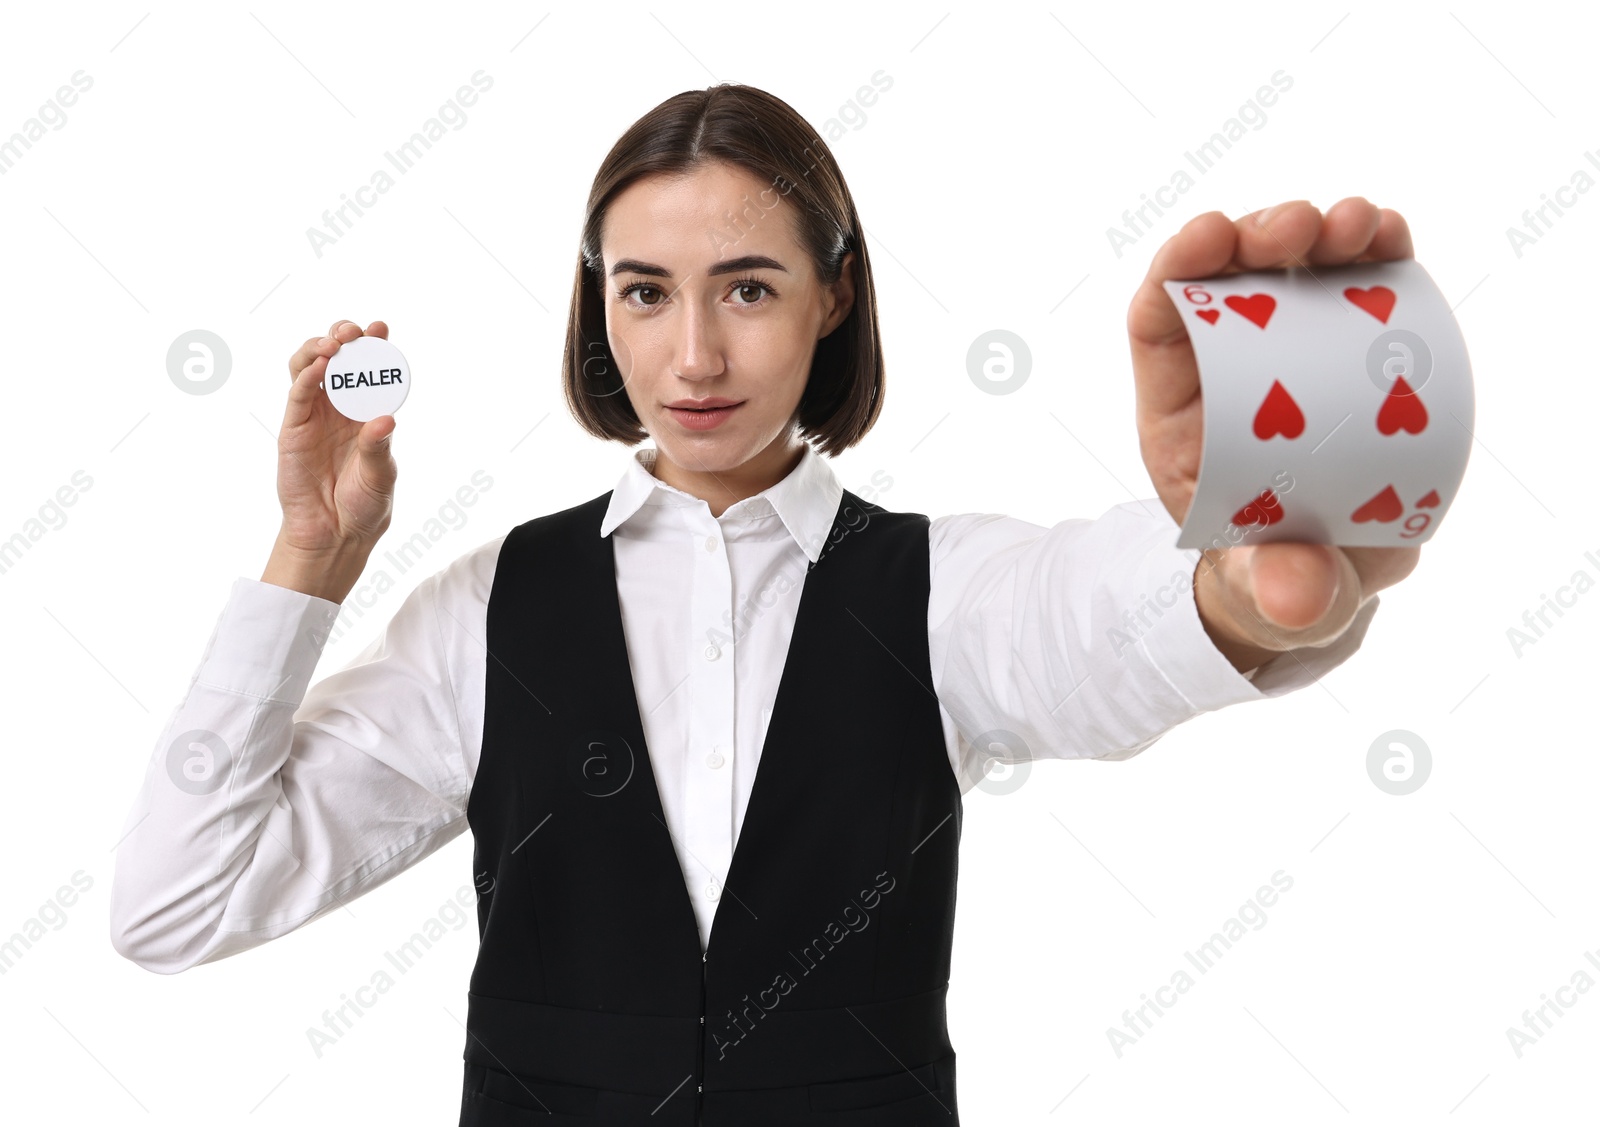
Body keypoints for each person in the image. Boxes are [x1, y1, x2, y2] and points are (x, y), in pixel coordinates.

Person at [109, 83, 1418, 1125]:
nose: (692, 356)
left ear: (831, 295)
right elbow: (176, 904)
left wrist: (1238, 582)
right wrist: (309, 562)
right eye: (644, 293)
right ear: (597, 311)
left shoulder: (936, 589)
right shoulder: (485, 613)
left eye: (747, 287)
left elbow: (1089, 623)